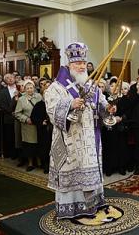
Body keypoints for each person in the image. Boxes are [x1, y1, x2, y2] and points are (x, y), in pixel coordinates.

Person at [44, 42, 115, 219]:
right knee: (72, 171)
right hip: (69, 141)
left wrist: (109, 109)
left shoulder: (90, 85)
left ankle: (93, 204)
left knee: (88, 170)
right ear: (69, 64)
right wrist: (70, 104)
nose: (82, 66)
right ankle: (71, 207)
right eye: (77, 63)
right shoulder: (56, 87)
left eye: (83, 63)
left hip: (89, 139)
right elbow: (51, 109)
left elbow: (101, 105)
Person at [14, 80, 42, 171]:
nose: (30, 89)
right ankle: (30, 163)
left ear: (34, 88)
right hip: (28, 126)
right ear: (25, 89)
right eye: (28, 88)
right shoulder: (21, 99)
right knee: (29, 145)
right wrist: (26, 119)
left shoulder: (39, 96)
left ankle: (39, 162)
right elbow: (17, 113)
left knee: (39, 144)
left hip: (39, 125)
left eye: (31, 88)